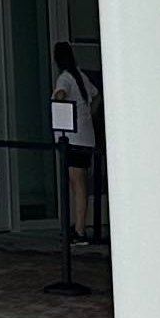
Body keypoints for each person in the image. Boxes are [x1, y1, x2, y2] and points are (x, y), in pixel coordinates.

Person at [51, 40, 102, 244]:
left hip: (72, 138)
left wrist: (60, 106)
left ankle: (80, 229)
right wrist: (87, 113)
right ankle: (79, 225)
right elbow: (96, 95)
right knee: (80, 183)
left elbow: (60, 95)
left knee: (77, 183)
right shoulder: (80, 75)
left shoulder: (64, 78)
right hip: (86, 136)